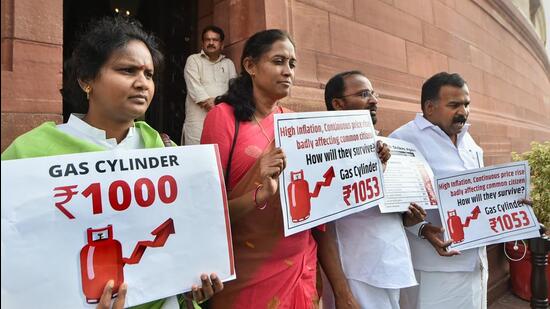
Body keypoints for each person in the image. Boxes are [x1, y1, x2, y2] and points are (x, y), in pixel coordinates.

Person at [1, 16, 223, 309]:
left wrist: (190, 282)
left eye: (149, 74)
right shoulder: (30, 154)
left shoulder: (162, 148)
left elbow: (181, 238)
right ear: (86, 80)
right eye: (127, 70)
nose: (142, 83)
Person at [201, 29, 352, 309]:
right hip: (247, 272)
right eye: (279, 61)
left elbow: (317, 216)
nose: (288, 71)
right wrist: (258, 186)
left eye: (292, 64)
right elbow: (208, 213)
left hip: (299, 268)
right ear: (250, 66)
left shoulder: (297, 125)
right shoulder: (222, 118)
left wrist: (341, 290)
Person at [321, 71, 426, 309]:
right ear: (338, 104)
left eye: (373, 93)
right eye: (363, 94)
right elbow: (322, 227)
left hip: (391, 263)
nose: (374, 100)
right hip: (356, 271)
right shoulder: (325, 153)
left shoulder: (383, 148)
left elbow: (386, 215)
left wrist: (409, 219)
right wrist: (341, 291)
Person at [389, 72, 487, 309]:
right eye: (454, 105)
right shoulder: (403, 140)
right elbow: (394, 206)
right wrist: (421, 229)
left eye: (466, 104)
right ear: (430, 108)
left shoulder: (468, 141)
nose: (463, 112)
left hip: (477, 264)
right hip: (435, 269)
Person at [181, 25, 237, 145]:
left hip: (223, 120)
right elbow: (195, 88)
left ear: (221, 44)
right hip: (198, 123)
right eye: (207, 39)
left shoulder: (229, 64)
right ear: (202, 43)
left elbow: (234, 90)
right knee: (195, 157)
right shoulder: (193, 60)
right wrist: (216, 104)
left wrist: (217, 103)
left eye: (215, 40)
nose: (211, 43)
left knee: (219, 157)